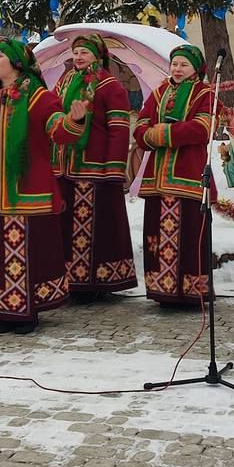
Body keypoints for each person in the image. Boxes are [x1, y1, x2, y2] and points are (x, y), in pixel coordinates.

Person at [0, 40, 88, 334]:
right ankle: (4, 309)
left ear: (16, 63)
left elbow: (59, 130)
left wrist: (75, 120)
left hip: (26, 190)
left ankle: (28, 311)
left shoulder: (38, 96)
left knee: (26, 253)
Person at [51, 34, 137, 299]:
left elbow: (119, 129)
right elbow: (53, 112)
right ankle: (70, 280)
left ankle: (97, 282)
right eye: (76, 52)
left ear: (97, 56)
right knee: (66, 227)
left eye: (84, 52)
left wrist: (114, 168)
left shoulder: (110, 86)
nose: (78, 57)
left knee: (95, 228)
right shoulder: (65, 81)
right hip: (66, 166)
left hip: (95, 168)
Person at [134, 45, 217, 308]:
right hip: (157, 180)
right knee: (156, 238)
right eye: (174, 64)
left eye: (183, 65)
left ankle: (191, 293)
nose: (177, 69)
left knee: (190, 236)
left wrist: (162, 134)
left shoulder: (205, 94)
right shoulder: (159, 92)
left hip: (188, 176)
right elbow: (141, 126)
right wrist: (150, 134)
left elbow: (202, 128)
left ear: (196, 69)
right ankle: (162, 291)